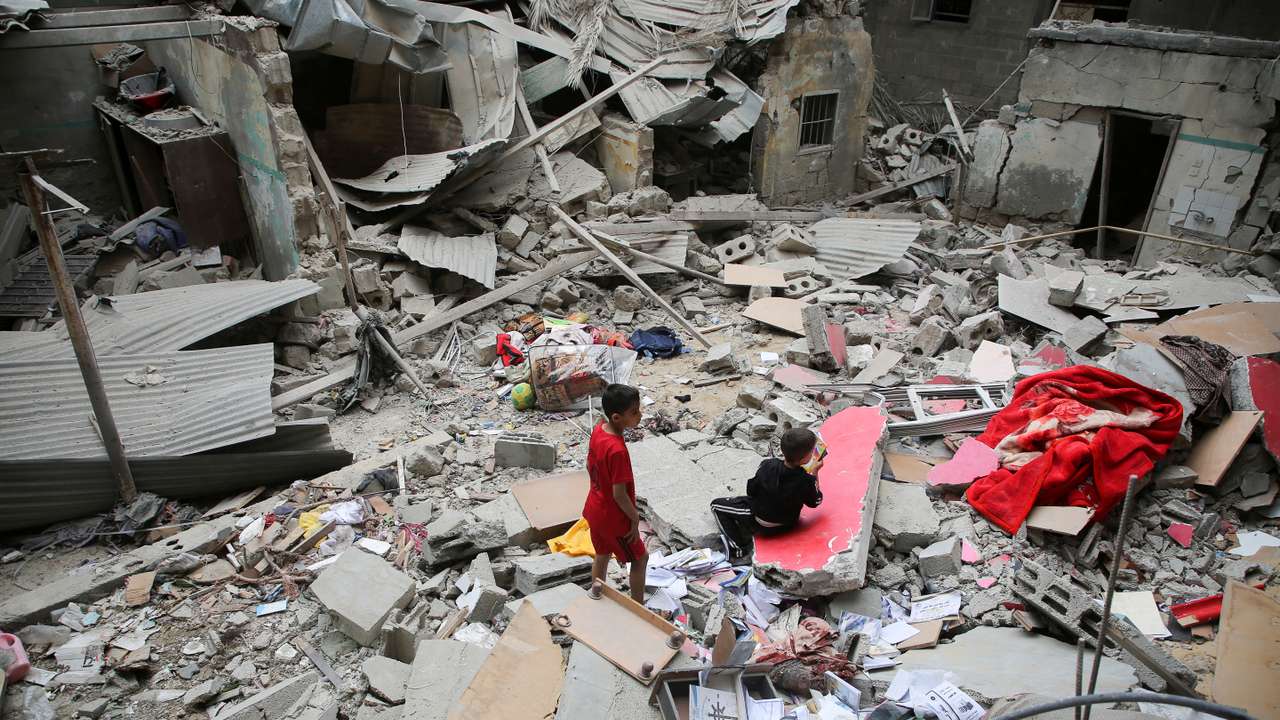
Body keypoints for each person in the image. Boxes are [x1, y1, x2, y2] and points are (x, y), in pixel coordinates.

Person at [709, 428, 824, 562]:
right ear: (806, 458)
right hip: (789, 523)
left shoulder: (767, 465)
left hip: (761, 523)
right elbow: (816, 501)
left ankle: (739, 549)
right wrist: (815, 472)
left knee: (716, 505)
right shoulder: (806, 480)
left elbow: (751, 491)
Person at [582, 383, 648, 602]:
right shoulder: (617, 450)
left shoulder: (599, 429)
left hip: (594, 508)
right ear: (617, 417)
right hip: (613, 517)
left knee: (602, 555)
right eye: (634, 412)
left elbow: (589, 465)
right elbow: (619, 494)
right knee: (640, 559)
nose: (640, 415)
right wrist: (634, 517)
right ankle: (639, 607)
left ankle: (595, 594)